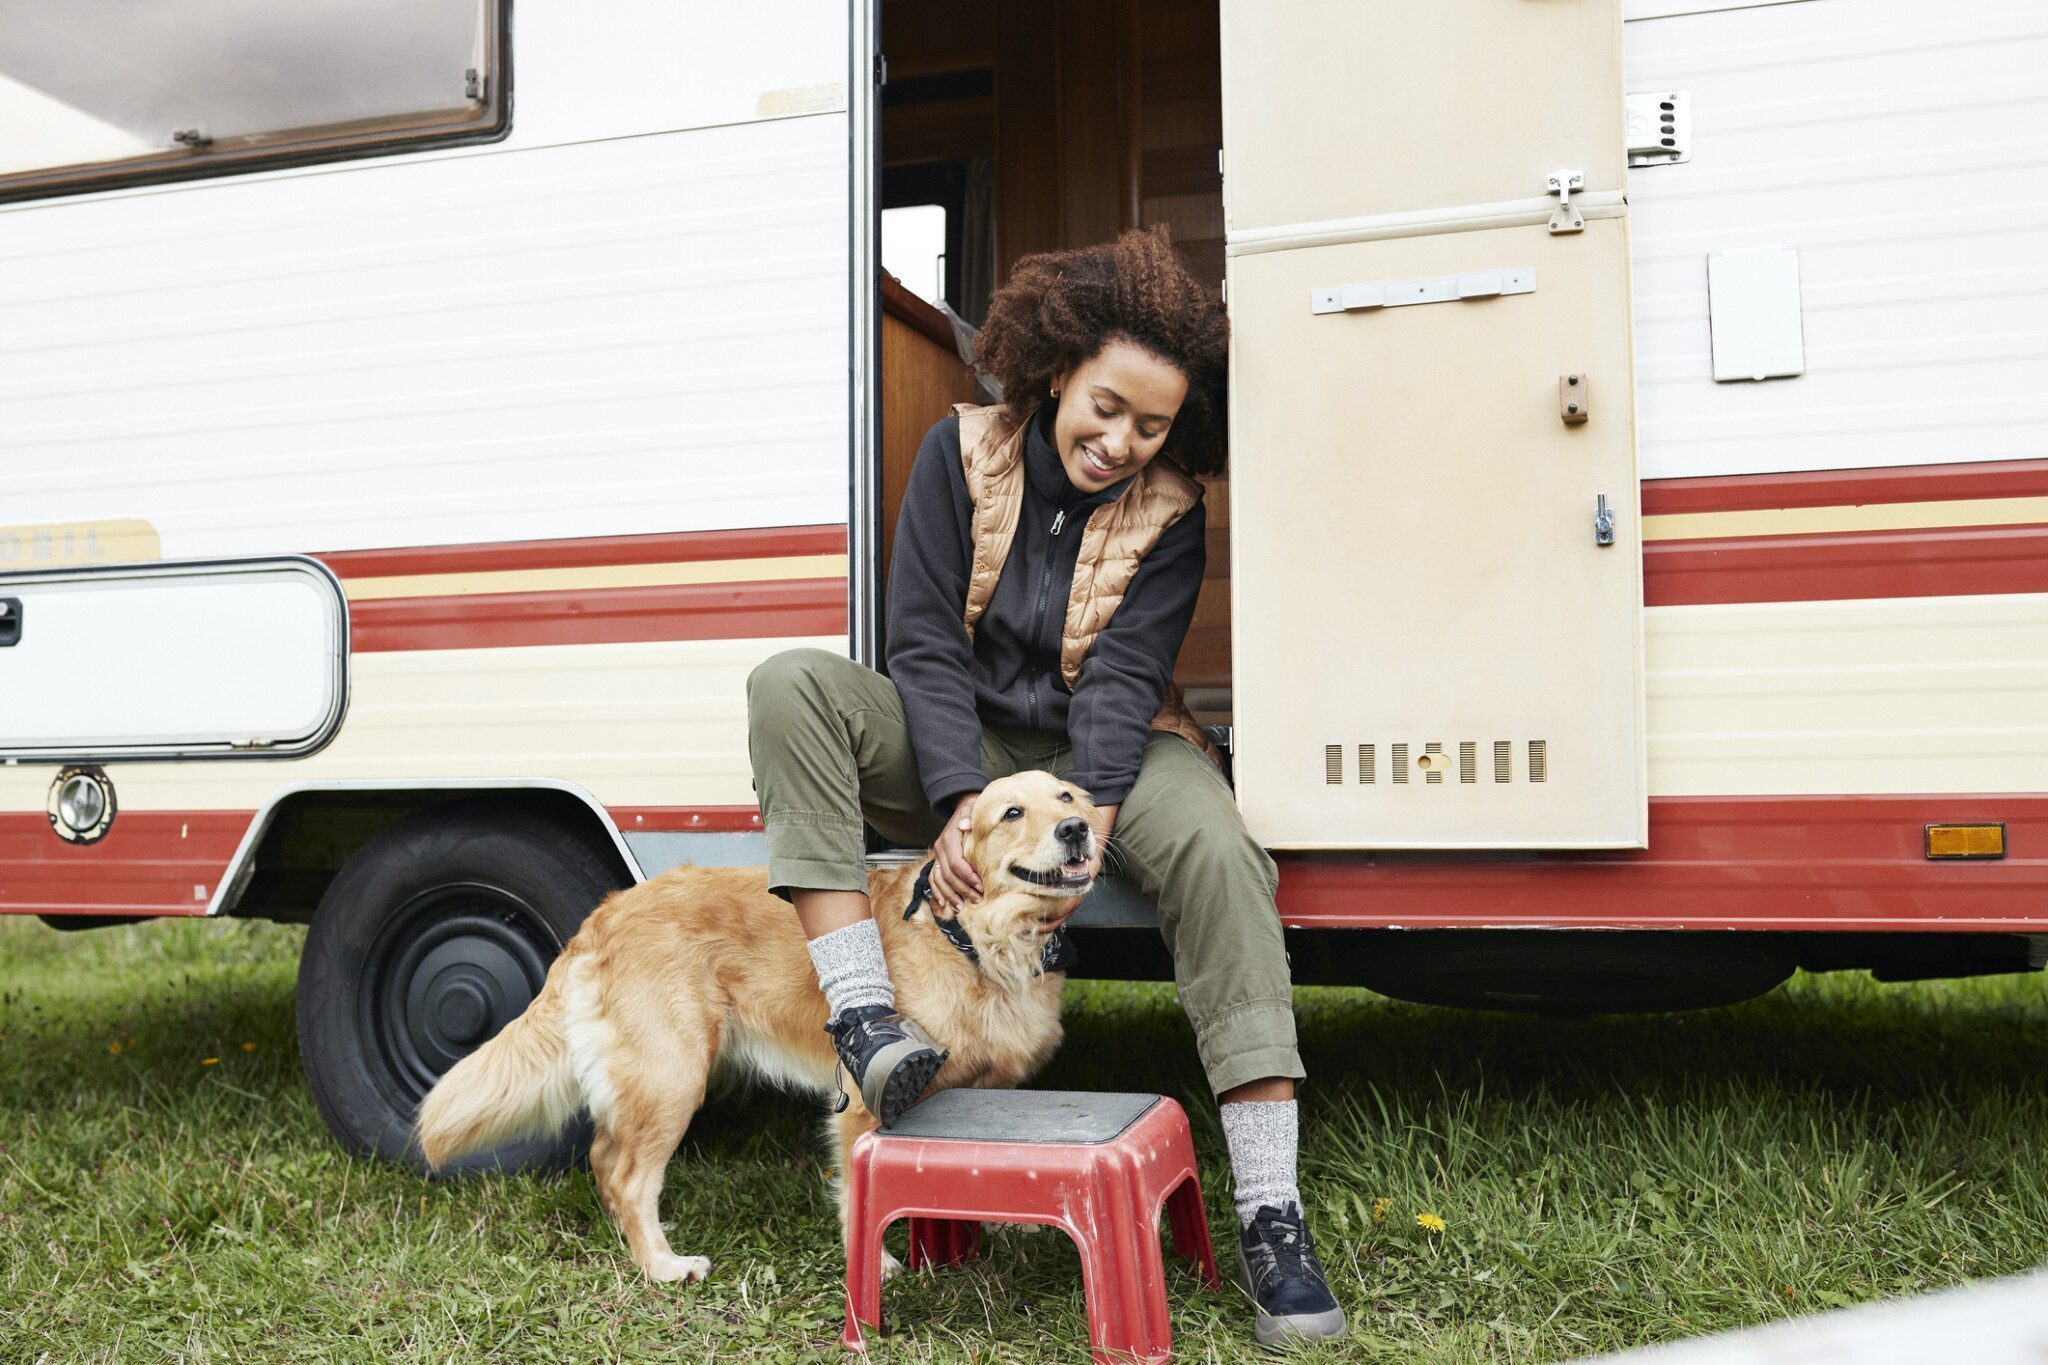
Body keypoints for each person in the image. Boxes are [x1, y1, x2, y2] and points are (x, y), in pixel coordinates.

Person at [746, 225, 1347, 1346]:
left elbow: (1122, 679)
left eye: (1152, 425)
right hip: (961, 744)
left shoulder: (1172, 513)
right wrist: (958, 816)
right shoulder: (956, 452)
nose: (1120, 440)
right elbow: (920, 645)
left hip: (1099, 751)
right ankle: (864, 1019)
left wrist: (1088, 816)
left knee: (1219, 852)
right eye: (1105, 407)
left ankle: (1271, 1210)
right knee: (791, 684)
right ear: (1058, 371)